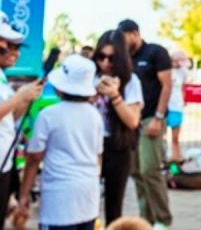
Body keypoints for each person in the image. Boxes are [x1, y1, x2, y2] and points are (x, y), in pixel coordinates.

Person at [18, 55, 103, 230]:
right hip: (88, 197)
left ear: (60, 87)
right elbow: (97, 157)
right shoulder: (94, 115)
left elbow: (34, 158)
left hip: (59, 201)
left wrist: (23, 195)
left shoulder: (49, 115)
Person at [118, 19, 172, 230]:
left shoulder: (155, 52)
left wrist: (158, 118)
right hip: (132, 121)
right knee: (136, 172)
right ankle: (145, 219)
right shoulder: (126, 58)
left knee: (150, 170)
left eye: (123, 38)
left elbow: (166, 85)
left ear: (133, 33)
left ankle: (163, 220)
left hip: (152, 119)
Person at [93, 30, 143, 225]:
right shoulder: (88, 77)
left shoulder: (131, 82)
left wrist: (115, 96)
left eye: (111, 58)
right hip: (89, 146)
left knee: (114, 207)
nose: (105, 63)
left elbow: (132, 121)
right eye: (101, 56)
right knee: (87, 205)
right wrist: (92, 95)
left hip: (117, 146)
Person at [0, 13, 43, 222]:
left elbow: (7, 117)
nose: (15, 52)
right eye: (10, 45)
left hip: (5, 163)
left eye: (17, 46)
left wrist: (24, 100)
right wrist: (19, 97)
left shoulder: (2, 76)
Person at [167, 50, 189, 162]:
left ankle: (175, 161)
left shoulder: (182, 72)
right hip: (166, 106)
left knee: (175, 138)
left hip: (176, 107)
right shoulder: (166, 71)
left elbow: (183, 88)